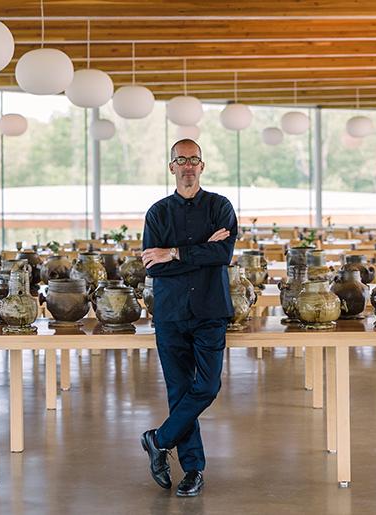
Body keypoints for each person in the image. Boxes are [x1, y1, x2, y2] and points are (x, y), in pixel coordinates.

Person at [139, 138, 237, 497]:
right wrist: (200, 252)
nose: (188, 166)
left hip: (211, 312)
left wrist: (175, 252)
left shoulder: (220, 207)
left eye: (194, 159)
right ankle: (193, 470)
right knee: (180, 392)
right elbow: (154, 269)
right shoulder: (157, 213)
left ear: (202, 165)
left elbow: (223, 254)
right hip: (171, 315)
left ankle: (158, 439)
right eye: (181, 160)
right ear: (172, 168)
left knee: (208, 387)